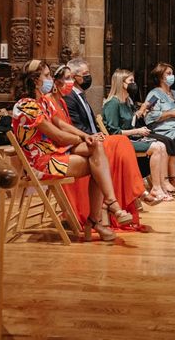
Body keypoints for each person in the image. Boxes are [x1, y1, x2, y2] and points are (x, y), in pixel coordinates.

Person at [11, 59, 133, 242]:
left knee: (97, 150)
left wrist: (86, 137)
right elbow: (58, 136)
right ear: (35, 80)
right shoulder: (25, 105)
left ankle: (107, 209)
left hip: (54, 154)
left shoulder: (43, 101)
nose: (50, 79)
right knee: (97, 164)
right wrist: (84, 137)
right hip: (40, 163)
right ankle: (99, 217)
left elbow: (61, 124)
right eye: (46, 76)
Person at [64, 58, 151, 228]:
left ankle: (130, 194)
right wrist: (94, 136)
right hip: (81, 143)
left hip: (91, 139)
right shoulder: (69, 97)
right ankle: (136, 192)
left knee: (121, 142)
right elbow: (74, 126)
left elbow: (90, 123)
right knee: (120, 142)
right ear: (74, 77)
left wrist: (97, 133)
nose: (89, 77)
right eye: (86, 74)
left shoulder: (80, 96)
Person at [103, 69, 175, 201]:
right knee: (157, 147)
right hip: (120, 142)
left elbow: (131, 122)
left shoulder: (126, 101)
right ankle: (156, 188)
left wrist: (141, 115)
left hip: (131, 138)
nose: (134, 84)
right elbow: (114, 132)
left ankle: (161, 186)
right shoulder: (113, 103)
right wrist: (137, 131)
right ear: (121, 83)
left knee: (162, 146)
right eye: (131, 81)